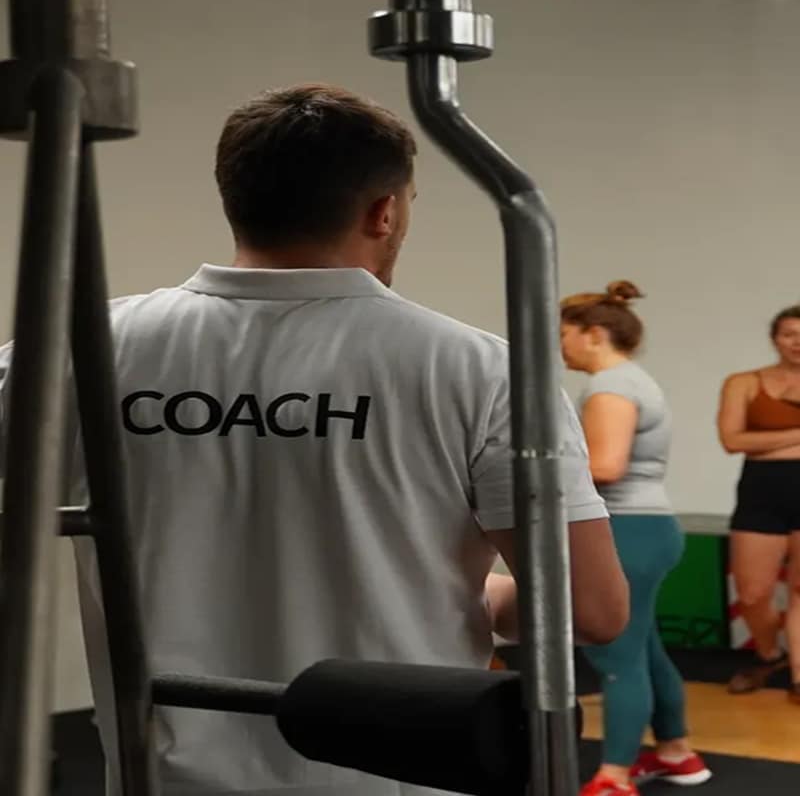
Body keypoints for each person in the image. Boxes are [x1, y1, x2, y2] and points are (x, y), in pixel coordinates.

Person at [0, 85, 628, 796]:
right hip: (396, 774)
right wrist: (466, 595)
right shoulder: (480, 369)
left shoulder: (76, 346)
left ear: (235, 198)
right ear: (385, 211)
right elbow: (591, 610)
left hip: (160, 775)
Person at [560, 281, 711, 796]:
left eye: (565, 334)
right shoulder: (630, 381)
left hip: (628, 530)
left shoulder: (611, 387)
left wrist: (530, 471)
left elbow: (605, 466)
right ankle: (676, 753)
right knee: (643, 648)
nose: (561, 346)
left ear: (594, 334)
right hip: (646, 527)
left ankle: (615, 777)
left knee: (615, 655)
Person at [717, 304, 800, 704]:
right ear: (774, 339)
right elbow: (733, 440)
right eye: (789, 334)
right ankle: (770, 654)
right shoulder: (744, 382)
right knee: (751, 593)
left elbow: (750, 441)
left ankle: (799, 675)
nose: (797, 342)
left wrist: (766, 442)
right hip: (761, 494)